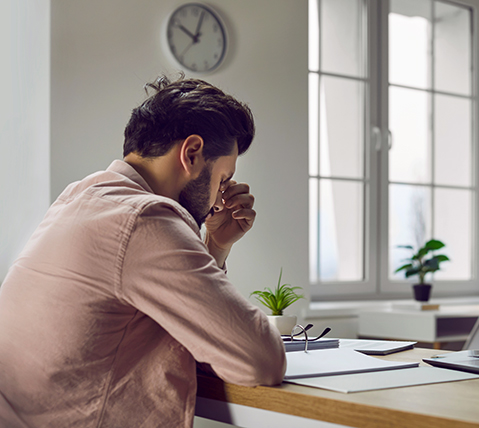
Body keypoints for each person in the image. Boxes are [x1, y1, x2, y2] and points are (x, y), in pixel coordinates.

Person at [0, 75, 286, 427]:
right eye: (223, 180)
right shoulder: (144, 219)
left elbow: (183, 320)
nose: (219, 199)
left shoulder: (80, 198)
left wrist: (216, 245)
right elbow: (260, 359)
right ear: (192, 153)